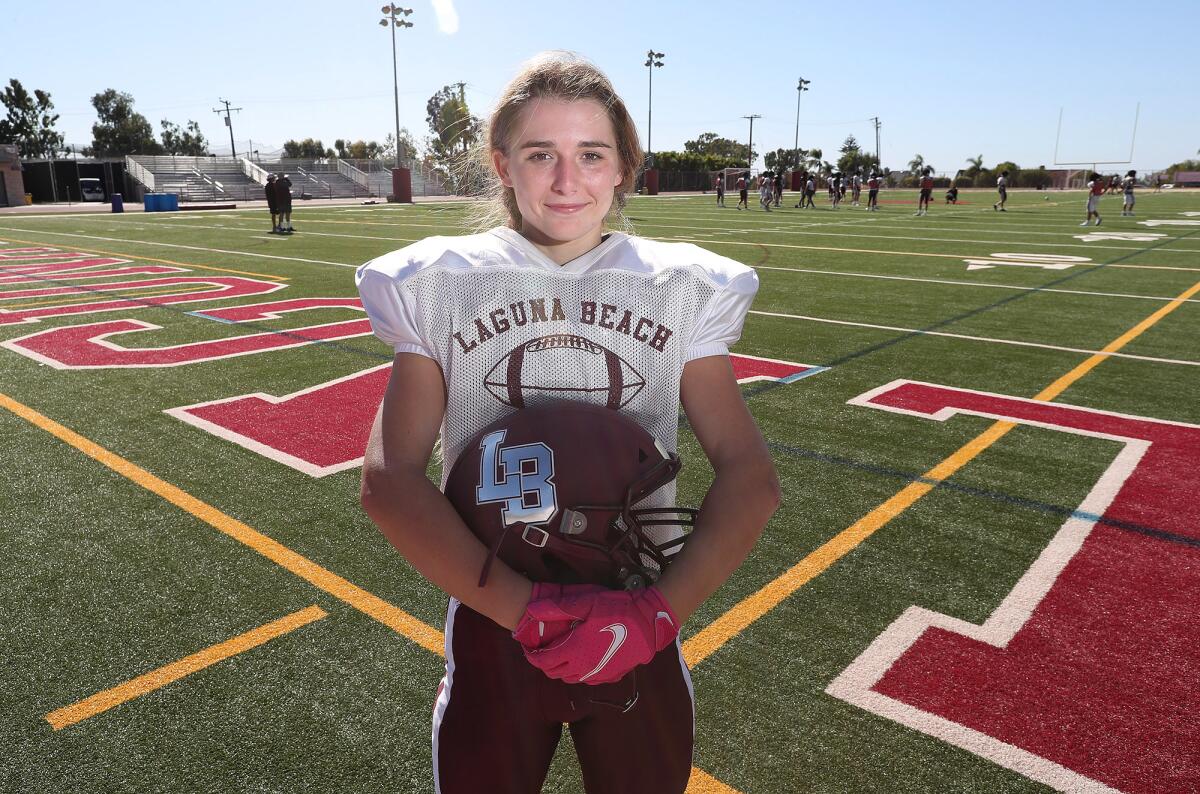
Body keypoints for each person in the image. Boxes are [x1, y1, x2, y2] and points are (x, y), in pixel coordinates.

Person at [354, 51, 779, 794]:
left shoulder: (681, 288)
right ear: (501, 164)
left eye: (591, 154)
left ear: (624, 167)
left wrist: (656, 614)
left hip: (637, 607)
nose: (566, 178)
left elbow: (753, 478)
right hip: (496, 610)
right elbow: (388, 481)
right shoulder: (439, 284)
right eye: (539, 154)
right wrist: (530, 611)